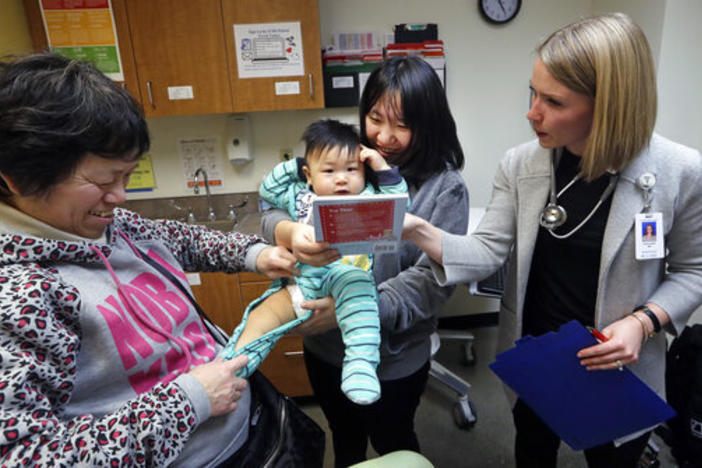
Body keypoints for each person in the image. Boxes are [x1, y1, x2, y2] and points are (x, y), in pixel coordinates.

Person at [402, 13, 702, 468]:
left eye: (554, 102)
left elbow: (693, 271)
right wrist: (414, 228)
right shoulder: (522, 164)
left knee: (612, 458)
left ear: (610, 106)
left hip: (617, 366)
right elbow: (486, 251)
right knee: (533, 450)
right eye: (533, 93)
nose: (532, 112)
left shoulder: (680, 172)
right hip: (537, 356)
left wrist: (643, 323)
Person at [0, 52, 299, 466]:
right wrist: (188, 400)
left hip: (252, 434)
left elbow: (180, 239)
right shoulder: (19, 297)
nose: (120, 197)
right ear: (18, 177)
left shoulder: (104, 222)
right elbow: (26, 457)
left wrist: (260, 255)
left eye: (127, 176)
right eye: (105, 180)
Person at [261, 56, 469, 466]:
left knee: (394, 441)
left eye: (402, 125)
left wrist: (349, 311)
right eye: (375, 118)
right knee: (345, 437)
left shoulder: (445, 188)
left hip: (395, 354)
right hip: (325, 347)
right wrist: (287, 233)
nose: (384, 136)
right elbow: (270, 207)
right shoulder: (345, 160)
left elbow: (432, 283)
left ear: (427, 124)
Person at [220, 119, 408, 405]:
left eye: (351, 169)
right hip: (303, 282)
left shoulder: (369, 197)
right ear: (309, 174)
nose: (341, 178)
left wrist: (381, 168)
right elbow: (268, 189)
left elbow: (398, 202)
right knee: (262, 316)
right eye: (329, 170)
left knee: (361, 303)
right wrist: (301, 165)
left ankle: (360, 366)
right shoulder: (301, 197)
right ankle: (230, 368)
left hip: (346, 278)